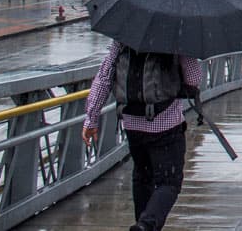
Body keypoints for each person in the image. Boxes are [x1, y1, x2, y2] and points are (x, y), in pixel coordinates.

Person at [82, 41, 201, 231]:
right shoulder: (176, 35)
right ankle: (146, 225)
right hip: (166, 123)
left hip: (132, 123)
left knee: (142, 176)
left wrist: (91, 118)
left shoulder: (123, 38)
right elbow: (193, 78)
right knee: (169, 182)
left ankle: (141, 224)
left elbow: (104, 77)